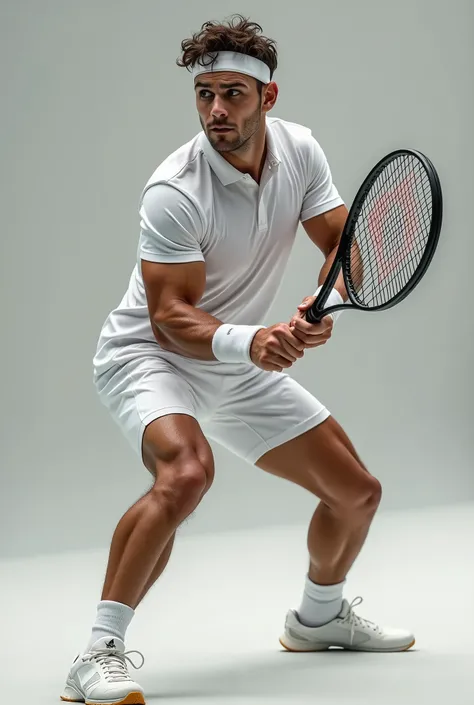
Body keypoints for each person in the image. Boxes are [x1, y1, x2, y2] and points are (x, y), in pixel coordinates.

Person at [60, 14, 415, 705]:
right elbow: (168, 318)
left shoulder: (301, 152)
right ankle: (97, 652)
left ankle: (318, 619)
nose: (216, 110)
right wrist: (251, 340)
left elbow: (346, 251)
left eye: (233, 93)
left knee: (357, 492)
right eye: (204, 93)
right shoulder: (175, 189)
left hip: (233, 357)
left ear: (268, 97)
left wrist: (324, 301)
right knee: (188, 471)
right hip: (148, 356)